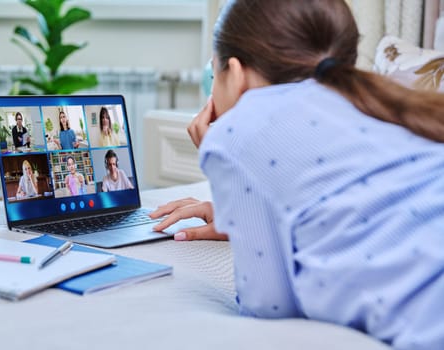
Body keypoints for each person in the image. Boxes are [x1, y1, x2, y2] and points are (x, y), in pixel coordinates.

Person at [149, 1, 444, 349]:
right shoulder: (379, 102)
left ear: (236, 73)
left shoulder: (239, 130)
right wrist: (243, 212)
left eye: (214, 77)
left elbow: (270, 310)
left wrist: (224, 153)